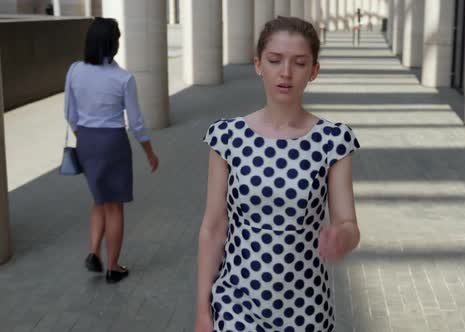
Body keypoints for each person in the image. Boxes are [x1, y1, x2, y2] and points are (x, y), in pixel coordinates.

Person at [195, 16, 361, 332]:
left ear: (314, 71)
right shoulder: (226, 137)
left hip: (307, 309)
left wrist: (342, 237)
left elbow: (347, 223)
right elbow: (214, 227)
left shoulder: (333, 140)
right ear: (259, 65)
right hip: (235, 306)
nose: (285, 73)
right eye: (275, 60)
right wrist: (203, 311)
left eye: (299, 63)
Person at [64, 17, 159, 284]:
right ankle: (113, 268)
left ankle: (94, 251)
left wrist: (84, 137)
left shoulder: (74, 71)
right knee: (114, 206)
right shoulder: (123, 78)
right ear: (113, 43)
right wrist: (150, 152)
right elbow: (137, 123)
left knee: (99, 199)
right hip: (113, 143)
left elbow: (69, 113)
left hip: (85, 140)